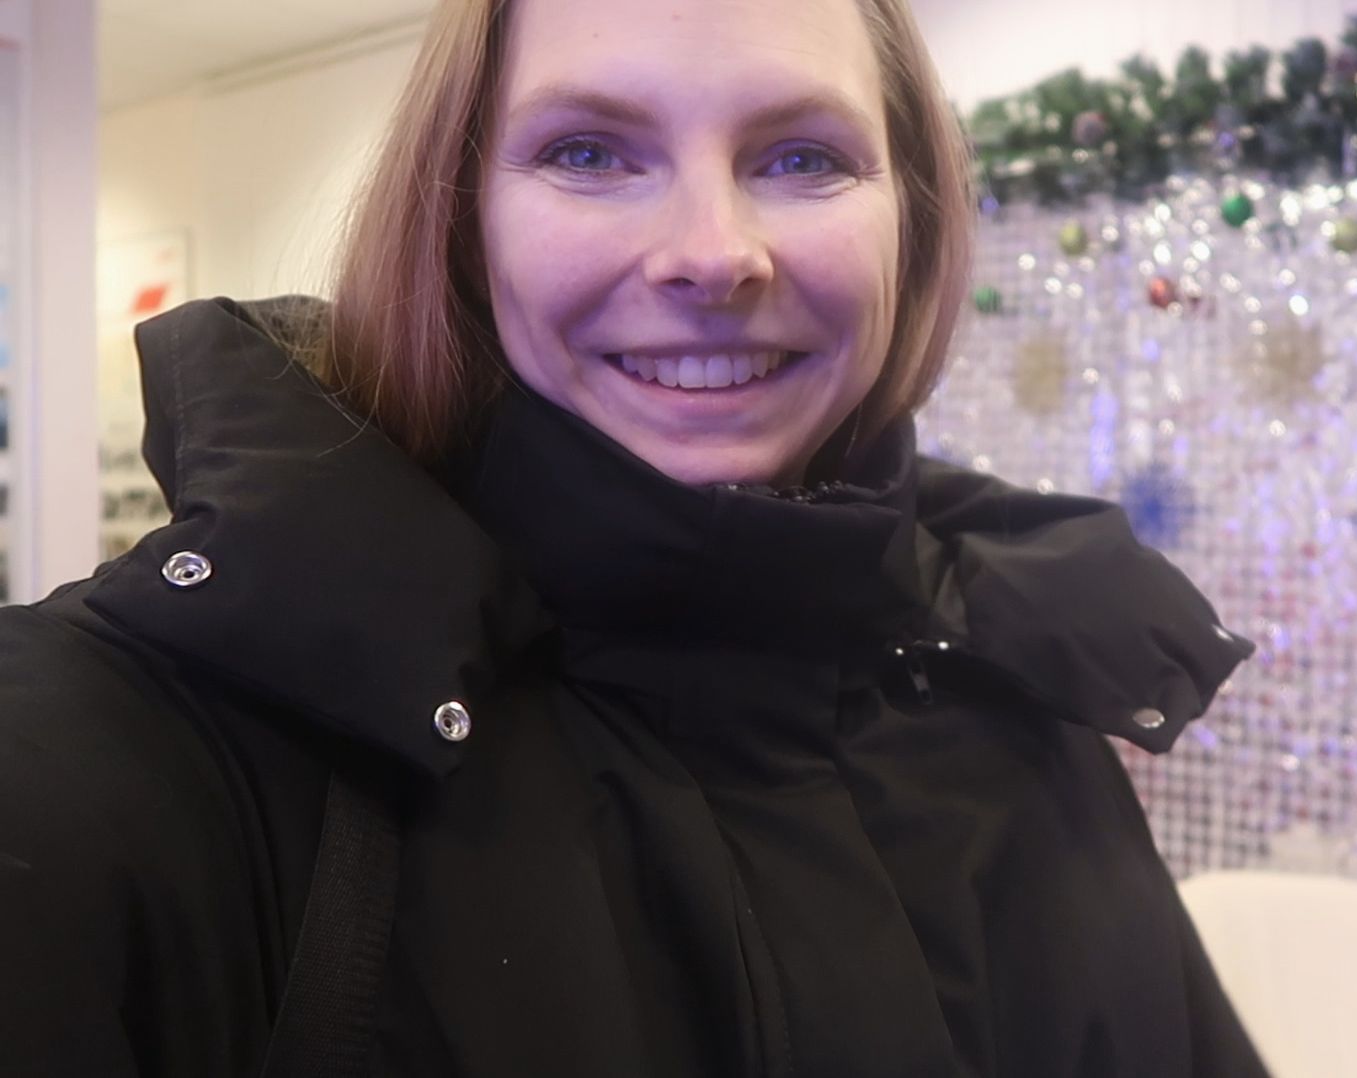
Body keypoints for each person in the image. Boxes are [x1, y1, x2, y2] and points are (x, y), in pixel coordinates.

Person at [0, 0, 1267, 1074]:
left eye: (804, 158)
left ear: (914, 221)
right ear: (457, 220)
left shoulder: (1022, 700)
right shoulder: (113, 764)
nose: (713, 255)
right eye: (589, 152)